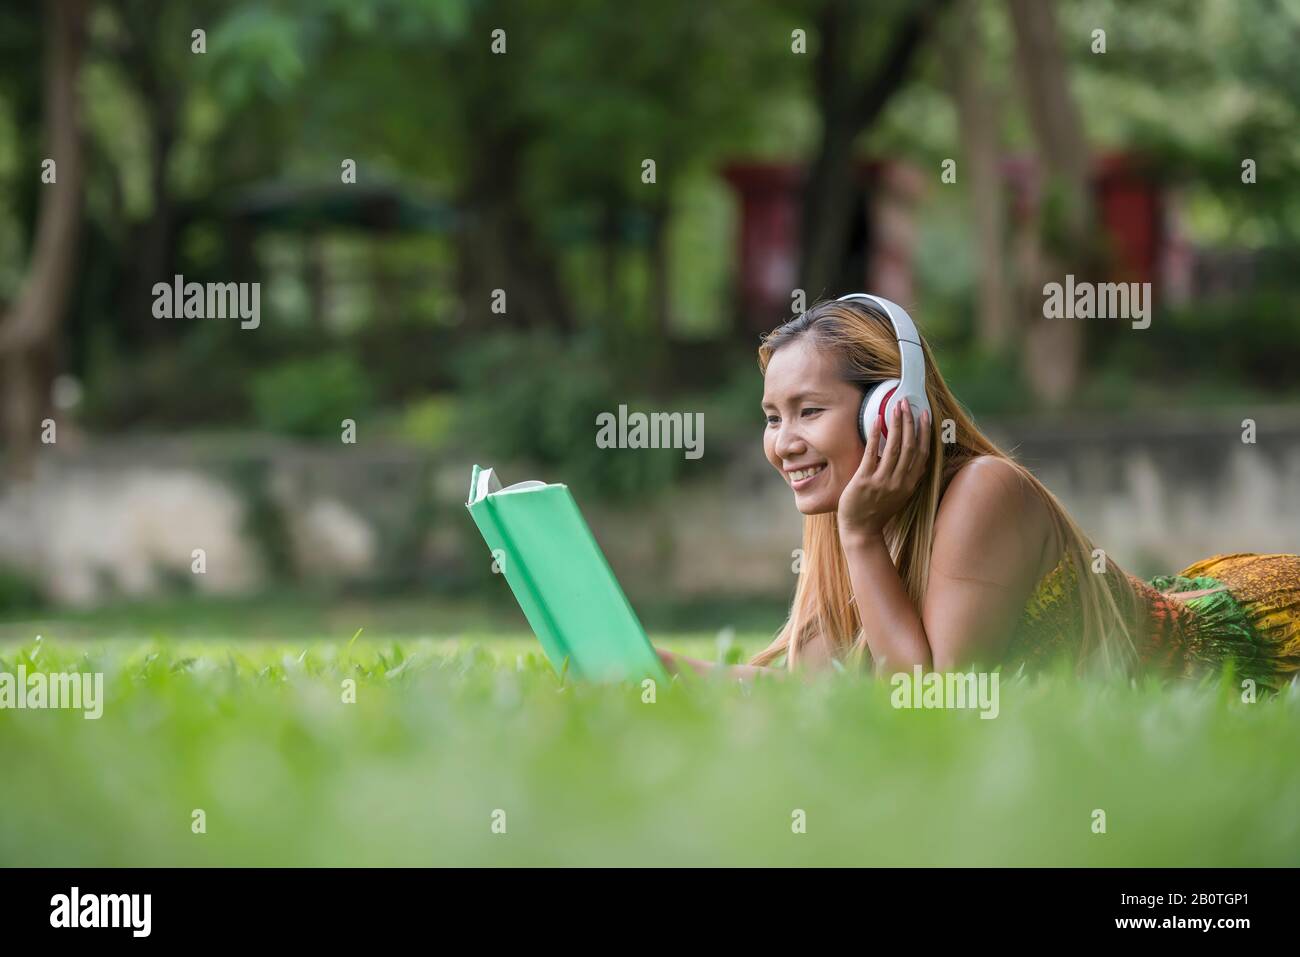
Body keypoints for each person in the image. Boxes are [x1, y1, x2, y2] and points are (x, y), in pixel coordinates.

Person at [657, 296, 1300, 690]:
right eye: (774, 417)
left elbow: (934, 700)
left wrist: (860, 536)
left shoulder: (983, 492)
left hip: (1263, 638)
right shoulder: (855, 519)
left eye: (809, 411)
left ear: (889, 409)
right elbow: (805, 688)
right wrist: (649, 666)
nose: (784, 442)